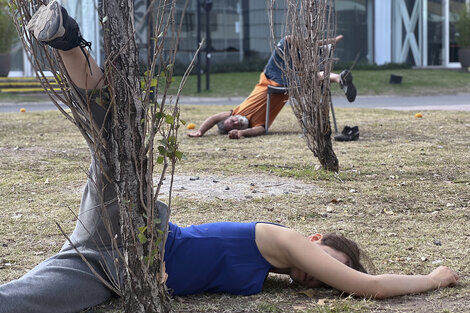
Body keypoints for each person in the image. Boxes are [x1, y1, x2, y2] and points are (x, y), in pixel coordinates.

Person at [0, 2, 459, 313]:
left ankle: (64, 43)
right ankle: (66, 40)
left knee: (20, 301)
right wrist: (433, 279)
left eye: (324, 282)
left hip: (110, 270)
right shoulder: (285, 239)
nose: (317, 278)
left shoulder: (271, 273)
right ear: (316, 238)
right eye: (330, 265)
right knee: (116, 135)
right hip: (140, 231)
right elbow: (372, 287)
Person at [188, 35, 357, 139]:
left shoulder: (236, 112)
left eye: (230, 122)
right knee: (312, 77)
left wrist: (201, 131)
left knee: (288, 40)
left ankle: (322, 45)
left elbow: (214, 118)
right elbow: (260, 131)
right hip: (285, 85)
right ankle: (339, 78)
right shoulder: (257, 124)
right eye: (233, 126)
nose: (234, 122)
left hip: (271, 75)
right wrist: (241, 134)